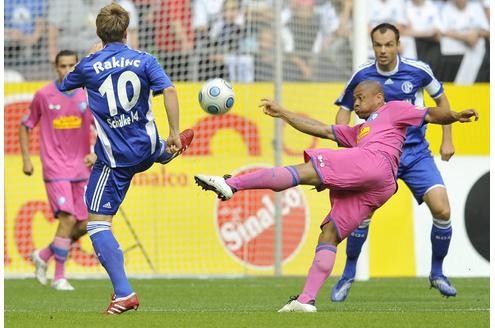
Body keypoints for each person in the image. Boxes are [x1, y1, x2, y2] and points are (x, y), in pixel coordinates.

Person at [194, 80, 478, 312]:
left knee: (304, 171)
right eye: (354, 98)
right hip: (382, 186)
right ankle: (306, 300)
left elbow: (429, 113)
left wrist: (453, 115)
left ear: (378, 98)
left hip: (373, 162)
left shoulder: (393, 109)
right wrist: (283, 112)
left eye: (360, 97)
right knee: (329, 232)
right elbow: (321, 129)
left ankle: (233, 184)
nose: (355, 103)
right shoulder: (360, 131)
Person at [59, 3, 194, 314]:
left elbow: (66, 86)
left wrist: (91, 55)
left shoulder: (89, 65)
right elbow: (169, 91)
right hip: (146, 148)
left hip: (115, 159)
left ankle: (124, 293)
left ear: (98, 32)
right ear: (127, 31)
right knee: (157, 147)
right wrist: (174, 131)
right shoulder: (145, 59)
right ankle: (169, 148)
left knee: (96, 224)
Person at [331, 22, 457, 302]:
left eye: (389, 44)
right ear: (372, 45)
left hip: (415, 154)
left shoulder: (418, 70)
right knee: (360, 216)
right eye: (378, 45)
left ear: (398, 44)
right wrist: (345, 147)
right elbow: (342, 115)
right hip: (377, 155)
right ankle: (348, 274)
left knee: (443, 209)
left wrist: (446, 139)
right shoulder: (362, 74)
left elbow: (443, 106)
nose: (383, 50)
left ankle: (437, 273)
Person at [20, 49, 96, 291]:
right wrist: (26, 159)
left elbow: (103, 127)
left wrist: (96, 152)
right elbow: (26, 125)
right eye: (63, 66)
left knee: (88, 223)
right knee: (68, 218)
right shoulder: (44, 94)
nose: (67, 71)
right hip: (55, 168)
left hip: (81, 168)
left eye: (72, 66)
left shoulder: (87, 96)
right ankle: (59, 277)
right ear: (56, 68)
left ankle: (43, 254)